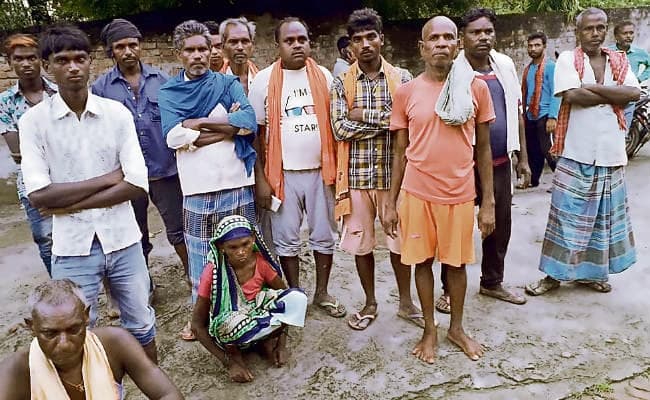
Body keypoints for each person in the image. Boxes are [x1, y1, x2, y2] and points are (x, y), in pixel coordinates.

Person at [19, 25, 158, 361]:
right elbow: (39, 196)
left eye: (79, 58)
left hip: (123, 239)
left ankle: (151, 380)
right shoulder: (34, 122)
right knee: (76, 331)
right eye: (62, 60)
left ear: (90, 61)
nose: (73, 67)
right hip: (72, 247)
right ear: (47, 66)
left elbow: (137, 183)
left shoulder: (116, 114)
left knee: (142, 323)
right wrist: (109, 179)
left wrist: (66, 204)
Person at [386, 15, 496, 364]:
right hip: (417, 194)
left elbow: (483, 149)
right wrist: (390, 202)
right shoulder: (406, 93)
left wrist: (488, 202)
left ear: (458, 45)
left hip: (460, 193)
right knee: (421, 263)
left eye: (449, 37)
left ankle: (457, 328)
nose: (442, 44)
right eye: (434, 38)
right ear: (422, 48)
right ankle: (430, 329)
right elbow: (399, 152)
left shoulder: (475, 88)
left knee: (457, 265)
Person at [526, 8, 639, 296]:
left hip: (610, 153)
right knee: (565, 218)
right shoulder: (568, 59)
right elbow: (572, 95)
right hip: (575, 152)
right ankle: (553, 276)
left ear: (606, 30)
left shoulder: (619, 60)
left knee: (601, 220)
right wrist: (612, 92)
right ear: (578, 32)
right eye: (589, 28)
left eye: (600, 28)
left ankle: (591, 275)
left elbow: (633, 94)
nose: (595, 33)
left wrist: (591, 88)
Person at [159, 20, 258, 341]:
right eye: (190, 50)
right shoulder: (169, 92)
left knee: (244, 253)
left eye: (203, 48)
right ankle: (200, 320)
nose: (198, 55)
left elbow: (248, 122)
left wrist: (199, 122)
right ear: (179, 54)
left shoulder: (227, 83)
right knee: (202, 259)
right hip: (198, 189)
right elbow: (173, 137)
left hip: (237, 182)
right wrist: (227, 128)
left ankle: (248, 311)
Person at [331, 8, 423, 331]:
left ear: (381, 39)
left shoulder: (403, 78)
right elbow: (340, 129)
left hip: (394, 177)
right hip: (355, 178)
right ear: (350, 45)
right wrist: (387, 120)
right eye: (358, 39)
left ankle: (406, 302)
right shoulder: (341, 82)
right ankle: (370, 302)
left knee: (399, 241)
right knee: (362, 244)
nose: (365, 44)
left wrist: (362, 115)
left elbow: (408, 126)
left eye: (371, 37)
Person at [437, 8, 531, 315]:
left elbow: (516, 112)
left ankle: (492, 281)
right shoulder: (453, 72)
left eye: (488, 31)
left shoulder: (504, 65)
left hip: (501, 161)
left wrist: (523, 158)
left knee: (499, 225)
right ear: (462, 38)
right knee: (458, 229)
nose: (483, 37)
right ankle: (449, 288)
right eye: (475, 32)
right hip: (463, 165)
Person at [249, 18, 344, 318]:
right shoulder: (263, 80)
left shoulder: (324, 76)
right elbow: (255, 134)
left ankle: (322, 293)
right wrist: (261, 179)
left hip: (322, 173)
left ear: (309, 42)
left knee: (324, 235)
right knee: (286, 239)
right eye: (289, 41)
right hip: (282, 176)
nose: (297, 45)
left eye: (302, 39)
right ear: (278, 45)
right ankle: (295, 294)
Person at [92, 19, 189, 281]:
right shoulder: (100, 89)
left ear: (140, 46)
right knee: (135, 235)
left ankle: (193, 278)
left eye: (132, 45)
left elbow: (178, 122)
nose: (128, 51)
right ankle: (143, 285)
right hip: (127, 177)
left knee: (179, 229)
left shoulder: (163, 80)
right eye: (120, 47)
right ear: (111, 51)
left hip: (165, 170)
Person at [0, 279, 183, 399]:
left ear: (86, 316)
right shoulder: (15, 371)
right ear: (32, 326)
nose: (64, 344)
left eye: (74, 330)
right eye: (50, 333)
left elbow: (168, 394)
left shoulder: (114, 343)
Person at [192, 215, 307, 383]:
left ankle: (265, 342)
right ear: (221, 247)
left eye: (245, 244)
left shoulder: (260, 263)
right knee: (230, 323)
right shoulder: (213, 272)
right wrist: (229, 363)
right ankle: (235, 353)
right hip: (232, 327)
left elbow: (285, 299)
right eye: (233, 247)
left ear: (253, 239)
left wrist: (281, 344)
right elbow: (197, 326)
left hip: (257, 316)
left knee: (297, 298)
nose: (241, 252)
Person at [0, 34, 55, 275]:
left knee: (88, 236)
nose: (26, 64)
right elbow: (19, 153)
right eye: (18, 59)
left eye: (31, 58)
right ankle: (63, 291)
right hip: (33, 186)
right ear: (9, 62)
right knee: (47, 240)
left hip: (73, 178)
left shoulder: (59, 93)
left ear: (41, 60)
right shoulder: (5, 102)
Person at [521, 32, 560, 188]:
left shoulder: (551, 67)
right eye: (530, 46)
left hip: (545, 114)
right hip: (531, 115)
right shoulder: (528, 69)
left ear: (544, 46)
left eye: (537, 45)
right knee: (533, 149)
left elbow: (556, 92)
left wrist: (552, 116)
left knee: (548, 149)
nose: (533, 48)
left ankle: (561, 182)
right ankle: (534, 180)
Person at [609, 21, 650, 129]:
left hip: (630, 93)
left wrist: (640, 79)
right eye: (625, 33)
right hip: (612, 92)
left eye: (631, 33)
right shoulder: (608, 52)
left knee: (624, 128)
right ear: (616, 36)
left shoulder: (639, 52)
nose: (628, 36)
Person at [219, 17, 259, 95]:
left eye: (245, 41)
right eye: (233, 42)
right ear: (223, 47)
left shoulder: (263, 81)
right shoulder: (215, 84)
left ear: (252, 46)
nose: (240, 47)